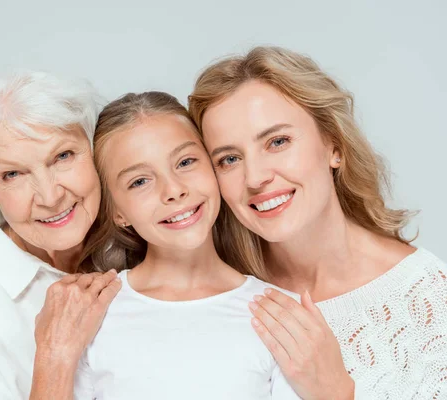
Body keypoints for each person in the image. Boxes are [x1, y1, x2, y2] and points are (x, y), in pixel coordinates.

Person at [188, 46, 447, 399]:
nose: (256, 177)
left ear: (334, 146)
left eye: (277, 142)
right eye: (229, 158)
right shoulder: (214, 292)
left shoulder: (428, 299)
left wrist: (335, 393)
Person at [73, 91, 301, 399]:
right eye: (139, 181)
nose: (174, 190)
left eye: (185, 162)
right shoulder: (92, 314)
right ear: (117, 212)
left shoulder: (279, 313)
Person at [0, 70, 121, 400]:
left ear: (94, 148)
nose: (49, 196)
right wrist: (54, 358)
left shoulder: (144, 237)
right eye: (12, 173)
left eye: (63, 156)